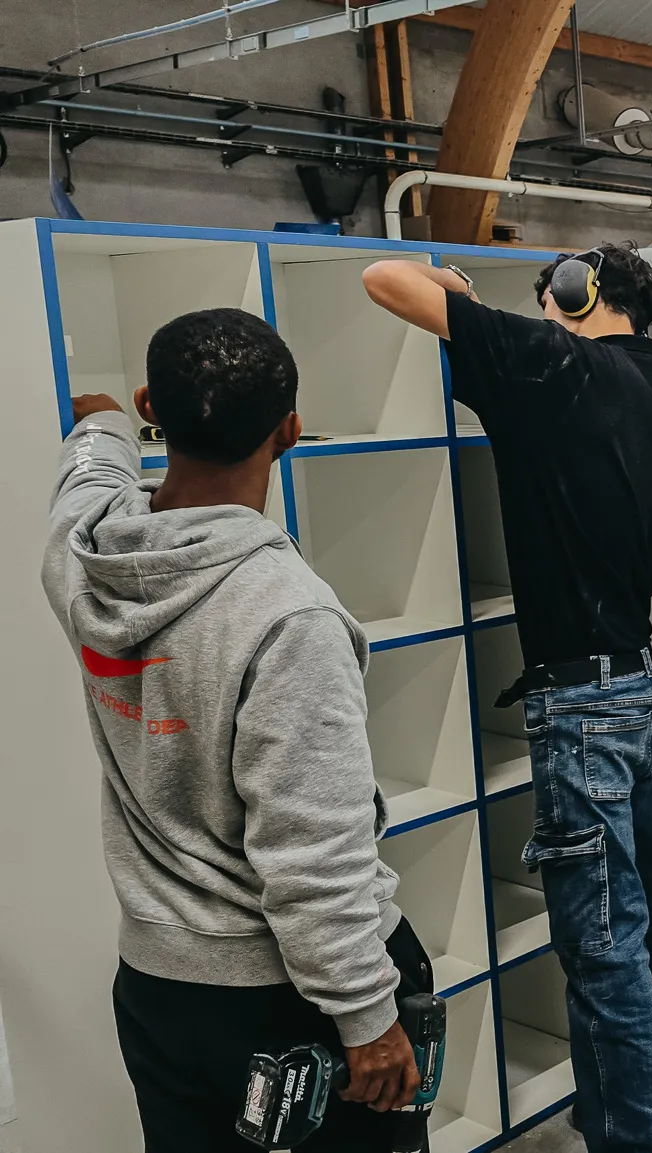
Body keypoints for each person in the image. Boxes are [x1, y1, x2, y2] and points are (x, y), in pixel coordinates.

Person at [44, 309, 427, 1152]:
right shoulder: (289, 616)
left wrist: (108, 419)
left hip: (155, 990)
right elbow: (313, 854)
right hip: (281, 1001)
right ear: (288, 432)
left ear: (157, 406)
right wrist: (368, 1017)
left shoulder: (82, 554)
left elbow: (89, 458)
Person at [362, 243, 652, 1153]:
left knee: (604, 952)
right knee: (648, 918)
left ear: (573, 291)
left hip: (580, 703)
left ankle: (635, 1144)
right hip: (633, 683)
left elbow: (383, 279)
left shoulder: (556, 366)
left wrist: (458, 291)